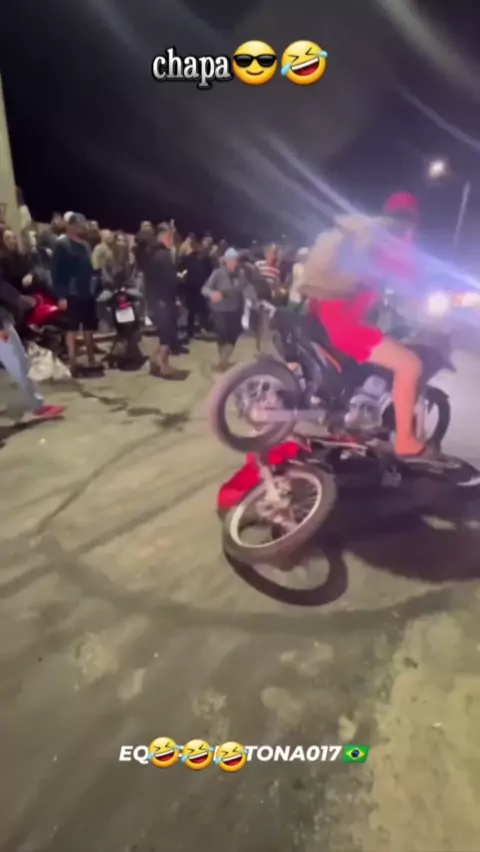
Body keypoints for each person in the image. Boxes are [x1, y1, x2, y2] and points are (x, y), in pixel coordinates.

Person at [302, 192, 432, 460]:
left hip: (320, 313)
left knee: (378, 344)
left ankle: (348, 406)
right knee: (411, 365)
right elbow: (413, 277)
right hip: (345, 324)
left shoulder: (364, 236)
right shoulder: (391, 242)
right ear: (411, 221)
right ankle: (405, 441)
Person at [51, 212, 98, 375]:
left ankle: (91, 359)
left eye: (82, 224)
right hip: (71, 293)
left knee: (89, 327)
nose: (80, 227)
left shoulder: (85, 245)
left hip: (87, 291)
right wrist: (61, 296)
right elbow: (56, 272)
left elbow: (91, 266)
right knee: (72, 328)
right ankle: (72, 362)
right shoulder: (62, 244)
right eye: (77, 224)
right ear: (69, 226)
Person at [143, 222, 184, 379]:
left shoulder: (152, 253)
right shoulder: (164, 255)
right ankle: (164, 366)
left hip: (155, 299)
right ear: (165, 237)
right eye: (171, 237)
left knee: (164, 334)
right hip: (164, 300)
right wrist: (179, 279)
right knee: (167, 334)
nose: (172, 241)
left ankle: (154, 361)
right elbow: (169, 280)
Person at [202, 247, 253, 371]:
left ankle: (223, 361)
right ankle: (223, 361)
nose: (233, 263)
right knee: (222, 337)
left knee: (233, 336)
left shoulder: (241, 273)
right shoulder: (218, 273)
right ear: (225, 261)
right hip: (220, 310)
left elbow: (246, 287)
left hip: (236, 309)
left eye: (235, 260)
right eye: (230, 260)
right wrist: (212, 294)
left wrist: (252, 296)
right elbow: (204, 289)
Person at [179, 237, 213, 338]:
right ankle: (190, 330)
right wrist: (183, 280)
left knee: (204, 309)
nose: (204, 249)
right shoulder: (190, 258)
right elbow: (181, 269)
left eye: (207, 248)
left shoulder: (207, 261)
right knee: (191, 310)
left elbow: (210, 274)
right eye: (203, 246)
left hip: (203, 288)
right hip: (191, 287)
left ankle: (203, 327)